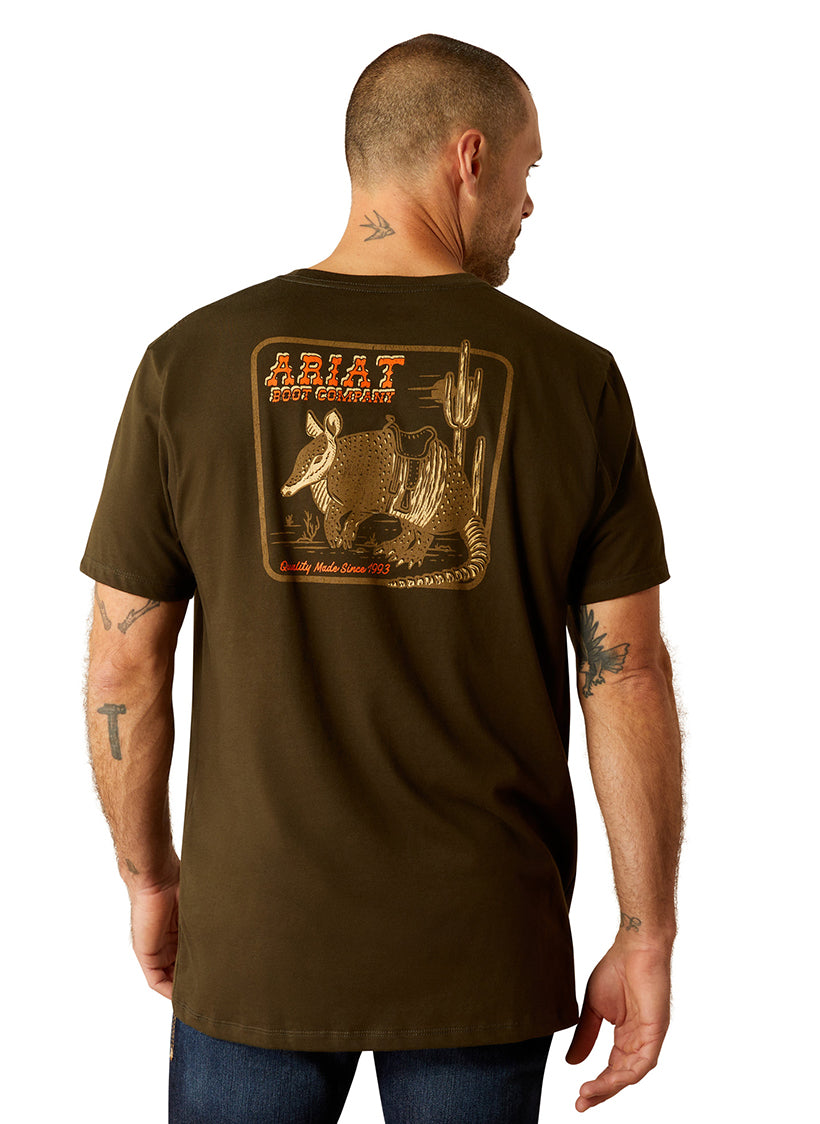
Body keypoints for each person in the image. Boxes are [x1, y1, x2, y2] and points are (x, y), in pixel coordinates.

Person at [82, 32, 683, 1123]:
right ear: (469, 157)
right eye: (527, 170)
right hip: (480, 945)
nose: (529, 203)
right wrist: (647, 931)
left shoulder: (191, 362)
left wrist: (150, 878)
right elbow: (626, 673)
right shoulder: (572, 378)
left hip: (256, 934)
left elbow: (126, 659)